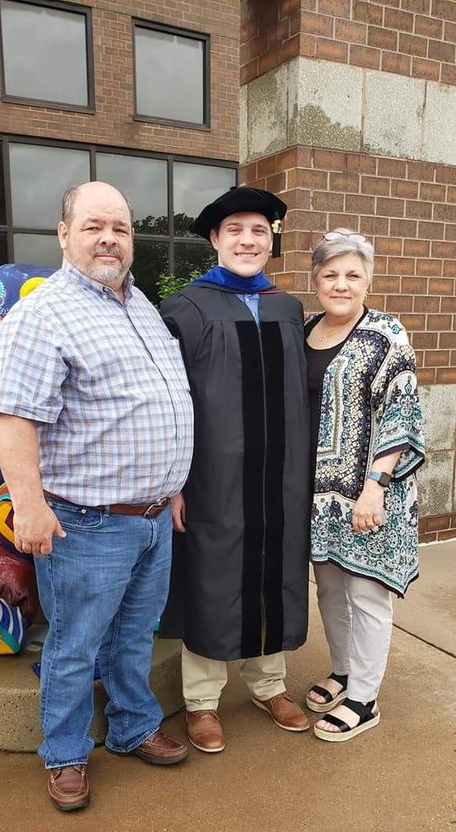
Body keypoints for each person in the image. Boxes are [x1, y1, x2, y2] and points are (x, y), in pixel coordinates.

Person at [0, 181, 194, 810]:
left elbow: (159, 406)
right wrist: (28, 504)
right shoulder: (43, 314)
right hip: (86, 524)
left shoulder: (140, 307)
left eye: (121, 228)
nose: (110, 238)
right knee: (75, 647)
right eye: (94, 226)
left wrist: (174, 486)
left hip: (155, 517)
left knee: (133, 636)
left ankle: (134, 727)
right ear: (64, 234)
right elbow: (14, 418)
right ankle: (66, 754)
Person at [160, 186, 311, 754]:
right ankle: (202, 701)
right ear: (214, 240)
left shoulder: (286, 308)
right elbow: (168, 403)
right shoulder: (186, 309)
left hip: (280, 479)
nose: (247, 240)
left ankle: (269, 685)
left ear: (271, 241)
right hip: (213, 480)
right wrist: (174, 483)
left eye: (258, 231)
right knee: (212, 576)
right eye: (235, 231)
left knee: (276, 572)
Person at [304, 228, 425, 742]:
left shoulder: (385, 333)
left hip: (370, 492)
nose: (341, 284)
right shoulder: (305, 329)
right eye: (331, 274)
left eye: (353, 275)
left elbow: (403, 409)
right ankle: (344, 670)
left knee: (367, 592)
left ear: (368, 280)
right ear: (315, 280)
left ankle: (365, 698)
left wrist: (376, 484)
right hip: (318, 494)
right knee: (330, 588)